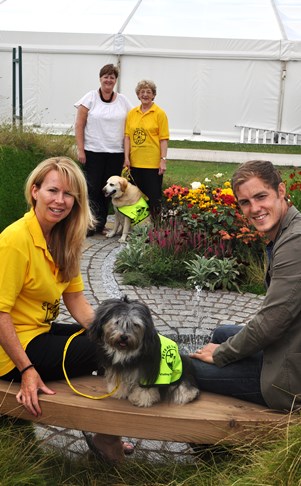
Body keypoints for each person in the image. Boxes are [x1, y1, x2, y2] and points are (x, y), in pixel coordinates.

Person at [0, 157, 133, 462]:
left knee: (114, 342)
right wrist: (27, 370)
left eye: (69, 194)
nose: (60, 200)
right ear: (35, 191)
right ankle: (107, 439)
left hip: (36, 333)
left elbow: (75, 301)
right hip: (10, 352)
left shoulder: (63, 237)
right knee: (105, 350)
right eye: (52, 190)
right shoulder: (15, 241)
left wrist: (108, 330)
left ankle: (106, 433)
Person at [190, 160, 301, 412]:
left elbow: (271, 322)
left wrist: (222, 354)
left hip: (290, 380)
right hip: (291, 343)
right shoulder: (287, 231)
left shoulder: (295, 242)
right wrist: (226, 347)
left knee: (193, 369)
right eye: (245, 202)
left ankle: (214, 448)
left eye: (261, 196)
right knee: (221, 334)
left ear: (281, 191)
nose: (255, 208)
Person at [74, 64, 133, 236]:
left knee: (108, 191)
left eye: (112, 77)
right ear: (100, 79)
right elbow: (79, 124)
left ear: (115, 80)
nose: (109, 80)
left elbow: (133, 120)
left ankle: (100, 224)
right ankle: (89, 224)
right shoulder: (90, 98)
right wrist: (80, 149)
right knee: (92, 189)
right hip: (93, 152)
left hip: (115, 153)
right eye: (105, 77)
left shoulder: (122, 100)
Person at [124, 79, 169, 218]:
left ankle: (155, 228)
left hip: (152, 164)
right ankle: (139, 226)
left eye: (148, 92)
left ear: (154, 95)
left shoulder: (159, 113)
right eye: (142, 92)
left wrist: (163, 160)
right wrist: (126, 158)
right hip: (135, 163)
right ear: (138, 95)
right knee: (135, 197)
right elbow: (127, 137)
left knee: (154, 197)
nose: (145, 94)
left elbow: (164, 139)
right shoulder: (132, 113)